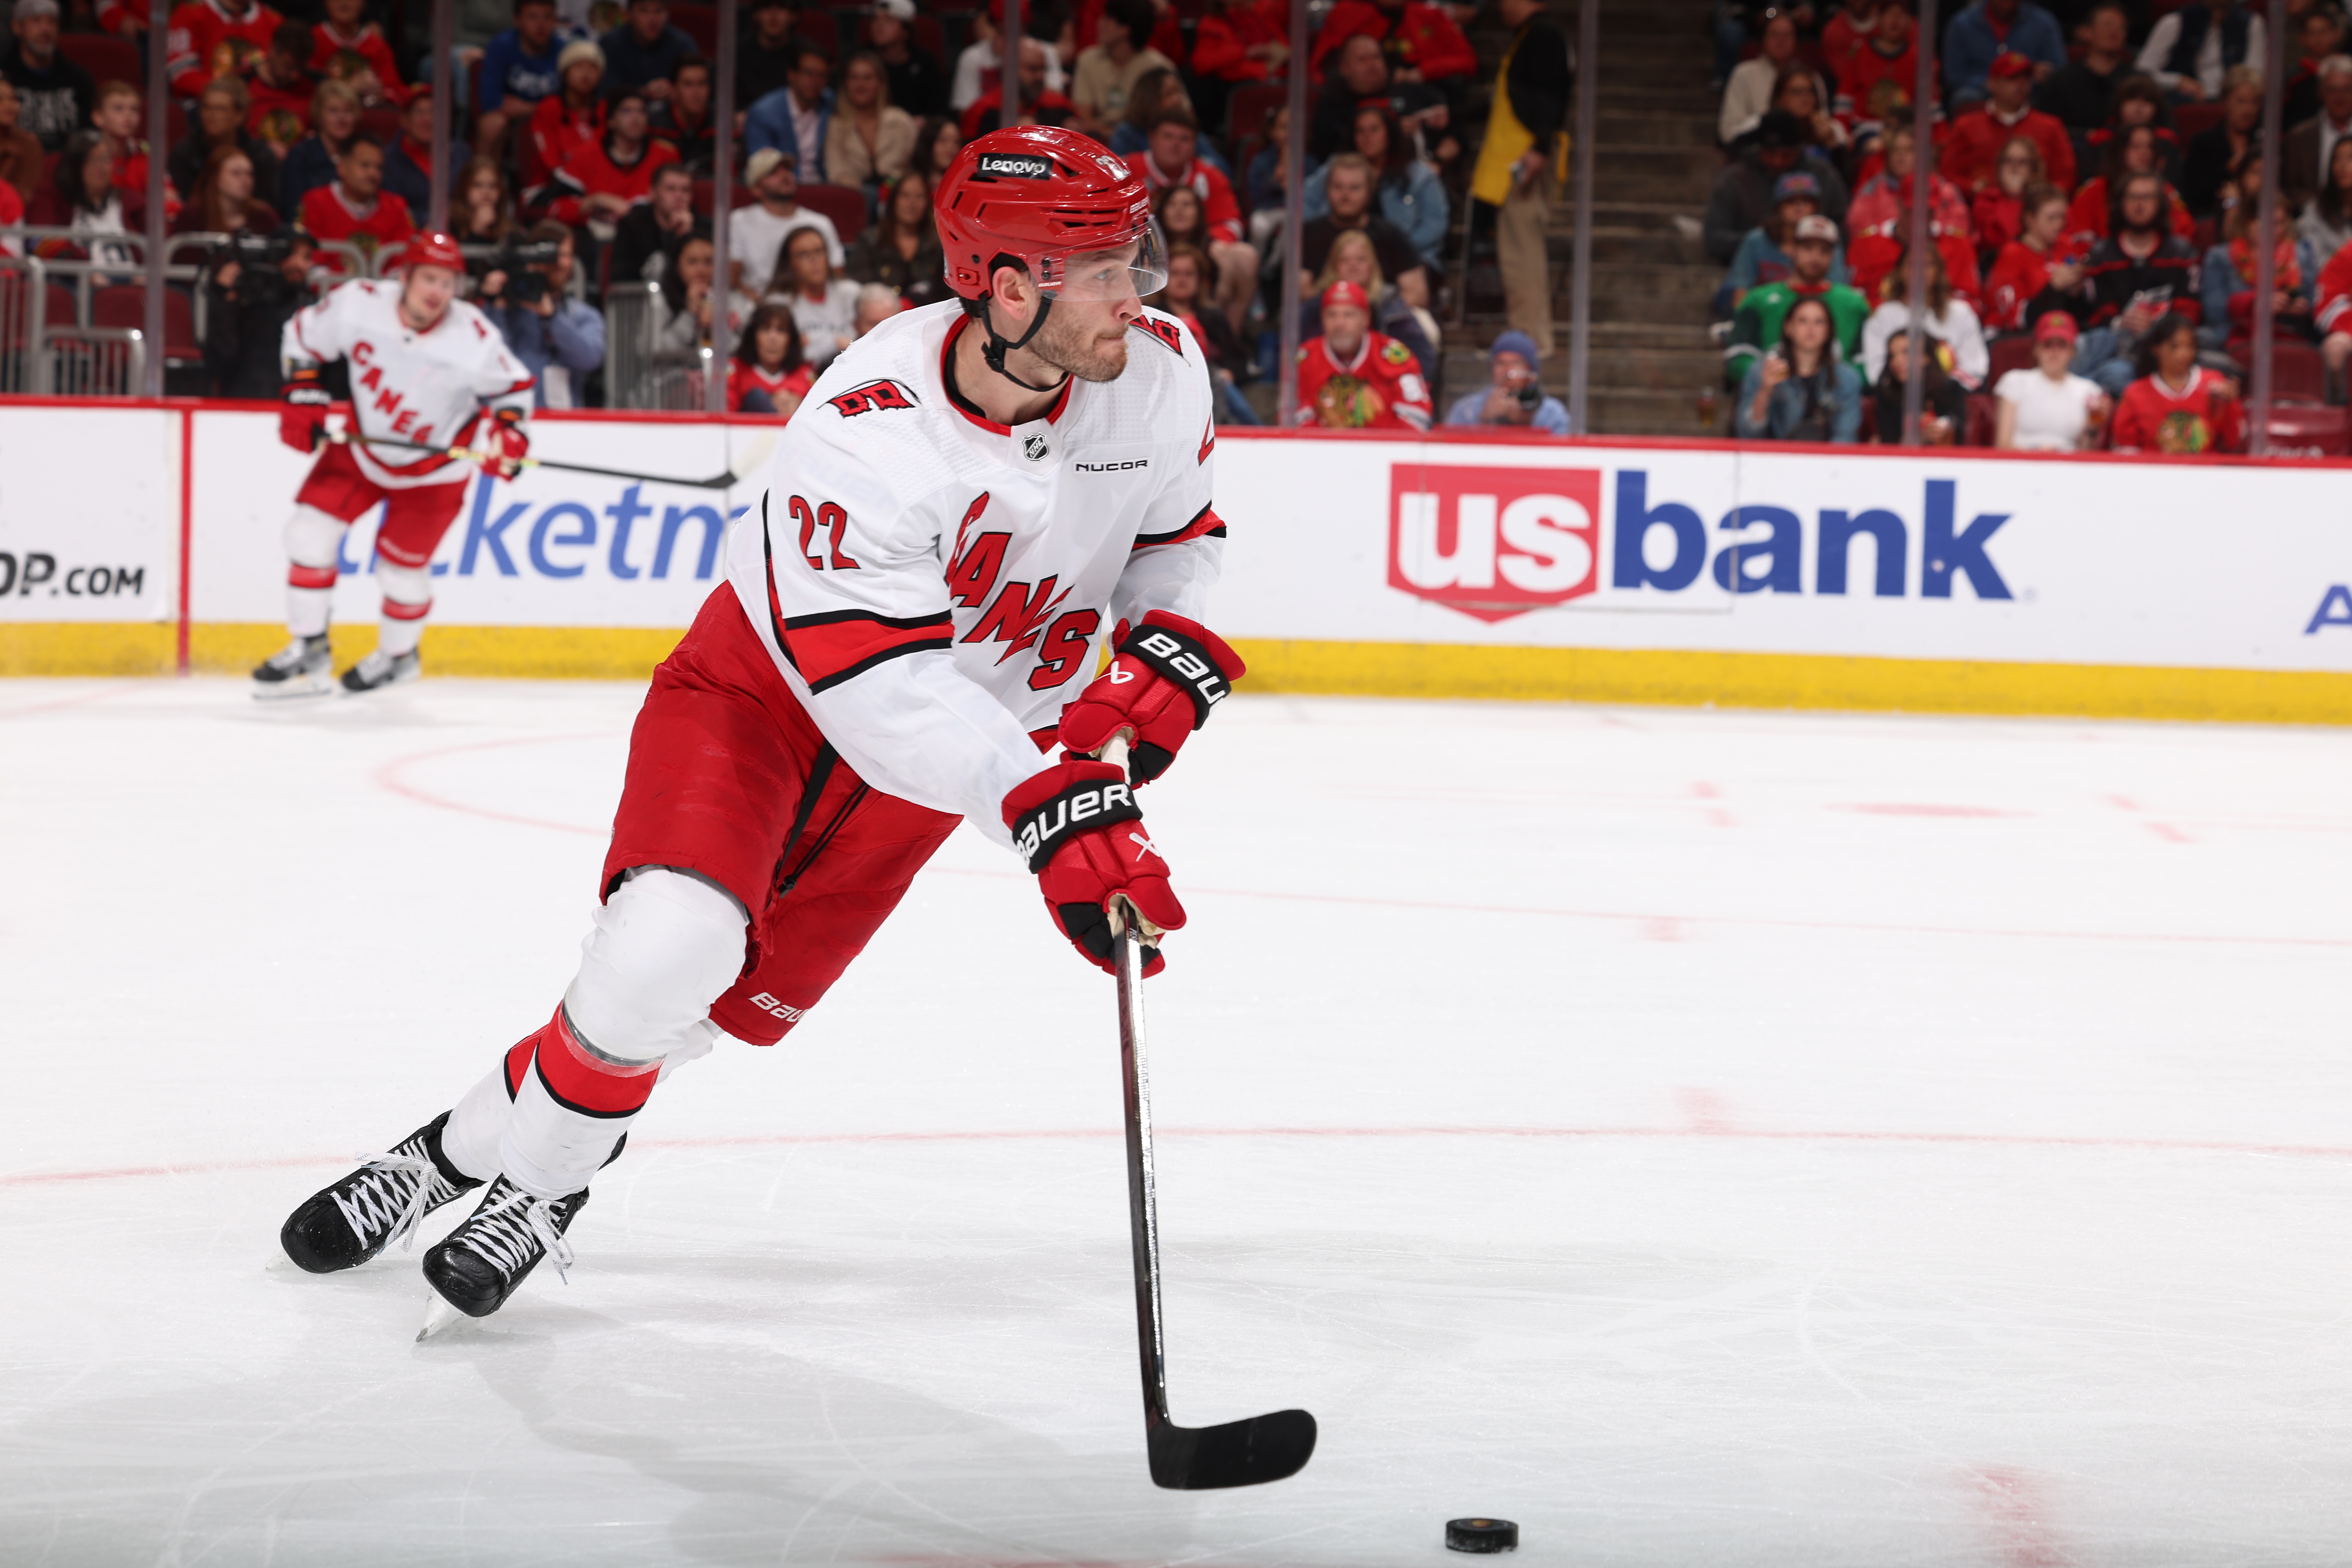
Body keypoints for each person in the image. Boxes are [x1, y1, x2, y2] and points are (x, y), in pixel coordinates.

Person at [274, 127, 1243, 1334]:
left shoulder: (1157, 369)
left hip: (940, 758)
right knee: (662, 949)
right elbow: (877, 686)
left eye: (1134, 254)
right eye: (1105, 267)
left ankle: (441, 1153)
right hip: (766, 702)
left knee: (696, 1012)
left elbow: (1178, 543)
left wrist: (1157, 669)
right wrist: (1048, 811)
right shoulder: (871, 421)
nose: (1142, 290)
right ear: (1006, 288)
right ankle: (544, 1186)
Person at [252, 230, 534, 699]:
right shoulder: (358, 304)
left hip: (434, 471)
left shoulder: (474, 337)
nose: (437, 292)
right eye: (428, 278)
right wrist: (302, 388)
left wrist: (508, 434)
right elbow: (301, 336)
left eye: (447, 282)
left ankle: (399, 658)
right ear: (403, 276)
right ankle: (309, 645)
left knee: (401, 572)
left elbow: (514, 390)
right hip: (362, 448)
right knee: (307, 533)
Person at [1474, 0, 1570, 354]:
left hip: (1526, 157)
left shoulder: (1543, 34)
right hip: (1520, 154)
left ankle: (1531, 340)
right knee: (1516, 250)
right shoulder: (1531, 35)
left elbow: (1551, 93)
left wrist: (1540, 147)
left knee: (1522, 252)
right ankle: (1528, 335)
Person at [2073, 169, 2204, 394]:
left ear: (2161, 204)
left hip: (2171, 348)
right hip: (2119, 350)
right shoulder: (2101, 256)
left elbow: (2190, 311)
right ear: (2120, 204)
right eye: (2133, 198)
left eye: (2148, 198)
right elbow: (2096, 316)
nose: (2140, 205)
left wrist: (2159, 327)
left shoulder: (2182, 253)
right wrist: (2120, 322)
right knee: (2114, 372)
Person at [1129, 105, 1256, 328]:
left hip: (1200, 251)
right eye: (1168, 137)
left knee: (1244, 256)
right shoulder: (1126, 168)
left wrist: (1207, 243)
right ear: (1151, 138)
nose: (1175, 145)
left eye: (1184, 139)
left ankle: (1227, 337)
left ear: (1195, 144)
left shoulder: (1211, 175)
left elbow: (1232, 223)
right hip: (1144, 253)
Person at [1725, 213, 1870, 387]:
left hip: (1834, 401)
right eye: (1808, 248)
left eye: (1825, 251)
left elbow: (1867, 364)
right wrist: (1771, 375)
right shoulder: (1758, 300)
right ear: (1792, 249)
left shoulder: (1854, 304)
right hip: (1772, 398)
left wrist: (1837, 381)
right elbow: (1737, 358)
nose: (1816, 258)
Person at [1843, 123, 1979, 304]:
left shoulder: (1946, 191)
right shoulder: (1872, 190)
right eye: (1896, 150)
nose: (1901, 156)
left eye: (1909, 150)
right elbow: (1859, 227)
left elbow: (1957, 228)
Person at [1303, 103, 1448, 269]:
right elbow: (1304, 201)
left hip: (1405, 258)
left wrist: (1397, 250)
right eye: (1360, 131)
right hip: (1340, 258)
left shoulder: (1420, 175)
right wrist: (1323, 241)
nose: (1367, 137)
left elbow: (1435, 224)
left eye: (1374, 130)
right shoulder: (1336, 167)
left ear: (1389, 133)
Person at [478, 220, 604, 408]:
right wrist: (495, 306)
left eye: (567, 255)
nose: (561, 263)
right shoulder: (504, 307)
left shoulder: (581, 315)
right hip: (506, 417)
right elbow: (486, 359)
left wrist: (553, 318)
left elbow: (590, 359)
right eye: (554, 256)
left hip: (561, 424)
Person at [1704, 110, 1849, 264]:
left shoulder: (1823, 174)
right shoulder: (1735, 178)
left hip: (1816, 270)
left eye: (1786, 155)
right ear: (1759, 149)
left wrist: (1810, 244)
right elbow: (1715, 239)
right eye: (1770, 154)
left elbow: (1844, 231)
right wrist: (1767, 241)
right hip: (1752, 267)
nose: (1778, 162)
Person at [1292, 278, 1432, 429]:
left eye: (1349, 315)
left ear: (1366, 318)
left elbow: (1417, 416)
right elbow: (1292, 417)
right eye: (1332, 315)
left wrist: (1379, 447)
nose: (1339, 323)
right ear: (1322, 319)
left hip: (1383, 450)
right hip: (1322, 451)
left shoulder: (1395, 357)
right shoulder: (1305, 358)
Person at [1300, 151, 1431, 313]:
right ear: (1327, 189)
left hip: (1382, 320)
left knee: (1423, 320)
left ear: (1370, 190)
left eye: (1355, 188)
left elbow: (1417, 293)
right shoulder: (1307, 235)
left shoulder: (1391, 235)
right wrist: (1340, 313)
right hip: (1324, 320)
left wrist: (1371, 316)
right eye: (1338, 187)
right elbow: (1299, 292)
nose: (1345, 195)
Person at [1148, 240, 1256, 423]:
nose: (1182, 280)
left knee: (1217, 379)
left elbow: (1239, 359)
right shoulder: (1150, 317)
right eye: (1175, 273)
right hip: (1166, 386)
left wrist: (1230, 373)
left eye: (1189, 274)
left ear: (1201, 280)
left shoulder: (1214, 318)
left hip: (1213, 386)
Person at [1308, 226, 1438, 377]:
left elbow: (1420, 355)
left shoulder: (1392, 305)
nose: (1353, 265)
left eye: (1361, 259)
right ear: (1334, 266)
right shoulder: (1316, 307)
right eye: (1345, 260)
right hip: (1325, 382)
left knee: (1423, 318)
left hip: (1384, 381)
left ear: (1372, 264)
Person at [548, 85, 678, 234]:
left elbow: (681, 204)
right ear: (611, 121)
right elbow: (555, 210)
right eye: (626, 111)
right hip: (593, 244)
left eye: (642, 111)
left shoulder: (666, 156)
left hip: (650, 242)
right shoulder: (583, 157)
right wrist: (594, 201)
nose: (636, 118)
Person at [2108, 308, 2244, 451]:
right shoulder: (2135, 393)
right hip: (2155, 471)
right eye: (2174, 347)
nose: (2183, 354)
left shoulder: (2215, 384)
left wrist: (2231, 403)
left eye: (2189, 346)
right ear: (2156, 349)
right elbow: (2126, 449)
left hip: (2205, 470)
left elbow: (2233, 442)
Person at [1944, 52, 2076, 196]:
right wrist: (1974, 188)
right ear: (1992, 84)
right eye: (2012, 78)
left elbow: (2066, 178)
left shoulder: (2051, 126)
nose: (2021, 84)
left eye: (2026, 78)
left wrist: (2043, 196)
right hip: (1980, 208)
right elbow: (1948, 174)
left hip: (2034, 209)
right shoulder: (1966, 126)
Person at [1862, 243, 1989, 387]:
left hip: (1950, 397)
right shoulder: (1883, 315)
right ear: (1900, 271)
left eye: (1928, 265)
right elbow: (1876, 371)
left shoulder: (1961, 313)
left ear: (1939, 271)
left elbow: (1975, 369)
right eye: (1912, 265)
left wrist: (1939, 389)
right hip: (1899, 400)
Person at [1737, 296, 1862, 441]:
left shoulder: (1847, 378)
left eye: (1819, 322)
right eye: (1803, 321)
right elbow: (1748, 435)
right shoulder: (1761, 371)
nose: (1811, 328)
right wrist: (1765, 391)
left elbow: (1846, 438)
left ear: (1829, 331)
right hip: (1775, 460)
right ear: (1788, 328)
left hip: (1828, 460)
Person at [2200, 190, 2314, 345]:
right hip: (2237, 335)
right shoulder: (2219, 257)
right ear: (2248, 221)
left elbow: (2315, 304)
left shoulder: (2301, 255)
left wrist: (2301, 306)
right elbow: (2215, 313)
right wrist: (2256, 305)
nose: (2272, 230)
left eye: (2279, 223)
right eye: (2265, 221)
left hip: (2289, 334)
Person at [728, 148, 842, 303]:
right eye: (773, 172)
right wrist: (762, 305)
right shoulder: (739, 221)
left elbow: (837, 277)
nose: (784, 175)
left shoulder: (820, 223)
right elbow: (731, 279)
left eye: (787, 169)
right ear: (755, 189)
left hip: (810, 304)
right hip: (756, 306)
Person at [1722, 172, 1844, 312]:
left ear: (1816, 207)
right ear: (1778, 206)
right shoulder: (1756, 241)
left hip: (1813, 320)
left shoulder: (1828, 241)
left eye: (1806, 201)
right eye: (1791, 201)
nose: (1799, 206)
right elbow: (1741, 294)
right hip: (1765, 316)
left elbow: (1838, 292)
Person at [296, 132, 414, 278]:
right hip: (330, 295)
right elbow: (310, 263)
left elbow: (404, 264)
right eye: (365, 165)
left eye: (379, 168)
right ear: (342, 168)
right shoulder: (315, 202)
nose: (373, 173)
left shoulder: (397, 207)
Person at [2067, 121, 2194, 247]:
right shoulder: (2094, 189)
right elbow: (2076, 236)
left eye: (2150, 147)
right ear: (2120, 151)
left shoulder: (2164, 190)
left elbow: (2185, 231)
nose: (2145, 153)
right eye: (2136, 146)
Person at [1993, 310, 2109, 448]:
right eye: (2048, 345)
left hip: (2068, 466)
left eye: (2062, 345)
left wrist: (2092, 428)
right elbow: (2002, 444)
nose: (2054, 352)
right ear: (2036, 349)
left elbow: (2087, 457)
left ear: (2073, 351)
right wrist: (2038, 455)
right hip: (2020, 464)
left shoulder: (2089, 390)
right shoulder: (2015, 381)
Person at [1982, 182, 2084, 331]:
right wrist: (2053, 288)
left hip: (2060, 331)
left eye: (2062, 217)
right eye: (2051, 218)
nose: (2059, 224)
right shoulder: (2013, 253)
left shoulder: (2065, 244)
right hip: (2015, 337)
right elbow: (2013, 318)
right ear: (2030, 219)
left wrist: (2077, 291)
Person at [1308, 0, 1477, 88]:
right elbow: (1319, 70)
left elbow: (1467, 61)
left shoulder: (1431, 16)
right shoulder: (1347, 13)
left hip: (1418, 97)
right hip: (1358, 102)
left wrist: (1422, 73)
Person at [1071, 0, 1176, 142]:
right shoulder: (1087, 60)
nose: (1099, 23)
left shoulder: (1159, 66)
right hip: (1098, 141)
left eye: (1108, 19)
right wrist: (1116, 136)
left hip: (1147, 142)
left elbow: (1179, 116)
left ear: (1124, 30)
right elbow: (1084, 117)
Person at [846, 165, 946, 308]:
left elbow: (944, 291)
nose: (912, 203)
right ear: (893, 201)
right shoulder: (870, 240)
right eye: (905, 195)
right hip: (879, 317)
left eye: (919, 197)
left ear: (927, 204)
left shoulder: (938, 243)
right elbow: (858, 289)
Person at [523, 40, 607, 207]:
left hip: (598, 188)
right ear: (564, 73)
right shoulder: (549, 108)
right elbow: (551, 162)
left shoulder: (606, 110)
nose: (586, 74)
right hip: (550, 187)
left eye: (593, 68)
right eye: (579, 67)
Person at [2038, 2, 2134, 149]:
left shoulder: (2136, 82)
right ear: (2087, 32)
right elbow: (2045, 128)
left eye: (2121, 27)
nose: (2115, 31)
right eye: (2108, 24)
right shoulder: (2062, 80)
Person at [172, 77, 280, 207]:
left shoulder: (260, 157)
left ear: (239, 116)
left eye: (220, 109)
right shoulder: (185, 154)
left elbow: (267, 210)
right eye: (206, 108)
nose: (211, 115)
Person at [474, 0, 563, 158]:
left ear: (555, 20)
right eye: (533, 17)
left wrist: (530, 108)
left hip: (551, 119)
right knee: (491, 124)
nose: (541, 25)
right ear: (518, 21)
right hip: (510, 120)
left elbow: (569, 104)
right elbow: (490, 101)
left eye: (548, 17)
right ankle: (487, 178)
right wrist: (539, 108)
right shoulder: (500, 47)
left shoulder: (563, 51)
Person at [1, 0, 93, 151]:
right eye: (36, 21)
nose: (45, 29)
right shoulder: (4, 79)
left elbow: (91, 136)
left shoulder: (79, 79)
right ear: (17, 27)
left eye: (52, 22)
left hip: (68, 168)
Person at [1942, 0, 2065, 108]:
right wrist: (1995, 85)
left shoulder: (2044, 22)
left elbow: (2060, 69)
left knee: (2055, 97)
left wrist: (2047, 72)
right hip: (1981, 90)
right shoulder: (1962, 23)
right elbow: (1954, 75)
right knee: (1964, 97)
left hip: (2028, 88)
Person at [2137, 0, 2265, 104]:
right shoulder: (2176, 21)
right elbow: (2142, 73)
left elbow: (2255, 76)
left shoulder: (2252, 23)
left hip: (2233, 105)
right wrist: (2178, 81)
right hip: (2187, 102)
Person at [1444, 328, 1569, 434]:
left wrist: (1528, 424)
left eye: (1516, 363)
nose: (1507, 371)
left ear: (1530, 370)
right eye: (1501, 363)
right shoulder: (1467, 409)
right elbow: (1449, 451)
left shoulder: (1552, 412)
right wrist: (1484, 421)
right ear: (1491, 369)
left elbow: (1563, 455)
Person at [607, 159, 706, 290]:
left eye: (685, 190)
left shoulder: (703, 229)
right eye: (671, 189)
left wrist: (686, 237)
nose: (679, 196)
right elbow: (621, 279)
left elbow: (707, 280)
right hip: (641, 304)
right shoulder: (632, 226)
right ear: (652, 193)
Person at [772, 221, 860, 368]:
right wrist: (837, 343)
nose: (814, 261)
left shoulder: (852, 294)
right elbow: (783, 355)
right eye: (803, 255)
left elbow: (868, 342)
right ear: (789, 263)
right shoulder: (778, 304)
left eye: (819, 252)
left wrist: (812, 342)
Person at [825, 49, 916, 190]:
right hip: (855, 197)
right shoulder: (836, 125)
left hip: (900, 197)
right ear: (846, 84)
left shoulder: (901, 121)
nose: (860, 85)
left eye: (868, 78)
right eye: (854, 78)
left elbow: (915, 167)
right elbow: (836, 173)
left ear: (880, 83)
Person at [1720, 8, 1812, 146]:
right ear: (1763, 39)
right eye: (1774, 34)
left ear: (1796, 40)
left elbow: (1822, 124)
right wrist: (1768, 124)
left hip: (1802, 154)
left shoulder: (1809, 76)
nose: (1781, 41)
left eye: (1787, 35)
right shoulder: (1743, 74)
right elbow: (1728, 132)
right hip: (1757, 153)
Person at [2181, 65, 2264, 218]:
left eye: (2255, 102)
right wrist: (2227, 171)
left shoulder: (2266, 144)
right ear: (2225, 102)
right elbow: (2195, 198)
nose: (2248, 110)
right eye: (2241, 101)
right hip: (2212, 217)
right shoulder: (2203, 143)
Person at [960, 34, 1078, 139]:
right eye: (1033, 69)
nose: (1040, 76)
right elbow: (970, 155)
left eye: (1043, 69)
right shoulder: (983, 111)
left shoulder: (1060, 106)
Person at [1834, 0, 1919, 142]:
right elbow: (1844, 98)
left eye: (1901, 15)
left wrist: (1939, 138)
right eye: (1890, 14)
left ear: (1911, 21)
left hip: (1907, 130)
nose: (1895, 20)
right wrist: (1842, 134)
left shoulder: (1918, 57)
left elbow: (1931, 104)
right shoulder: (1859, 52)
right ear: (1878, 17)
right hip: (1866, 129)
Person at [165, 0, 283, 102]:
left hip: (254, 108)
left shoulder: (274, 21)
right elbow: (180, 71)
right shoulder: (192, 10)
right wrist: (224, 97)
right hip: (200, 106)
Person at [51, 129, 135, 270]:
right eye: (92, 160)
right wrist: (84, 273)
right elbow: (43, 243)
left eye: (105, 159)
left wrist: (145, 275)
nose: (101, 167)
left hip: (132, 281)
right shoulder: (58, 203)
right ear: (76, 165)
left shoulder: (130, 201)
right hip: (80, 281)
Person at [746, 42, 836, 168]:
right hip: (785, 184)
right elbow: (762, 168)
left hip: (825, 184)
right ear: (792, 75)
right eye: (809, 73)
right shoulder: (763, 113)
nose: (815, 81)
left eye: (822, 75)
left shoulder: (832, 104)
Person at [1869, 326, 1967, 441]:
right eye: (1892, 356)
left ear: (1926, 357)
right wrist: (1920, 438)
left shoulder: (1950, 388)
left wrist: (1944, 426)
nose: (1897, 361)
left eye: (1906, 352)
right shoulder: (1887, 394)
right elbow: (1889, 441)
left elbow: (1958, 427)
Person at [91, 80, 169, 225]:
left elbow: (169, 201)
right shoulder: (87, 158)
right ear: (98, 118)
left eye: (134, 110)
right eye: (118, 109)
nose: (128, 115)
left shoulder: (147, 153)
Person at [383, 89, 470, 217]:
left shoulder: (461, 153)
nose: (428, 120)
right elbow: (389, 209)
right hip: (409, 233)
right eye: (420, 113)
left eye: (434, 112)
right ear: (404, 120)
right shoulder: (388, 160)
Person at [278, 78, 359, 216]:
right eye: (333, 111)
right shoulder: (300, 157)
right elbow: (292, 212)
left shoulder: (362, 156)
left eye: (347, 111)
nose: (341, 119)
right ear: (319, 115)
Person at [2283, 55, 2352, 211]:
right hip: (2312, 219)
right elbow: (2289, 190)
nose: (2340, 97)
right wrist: (2321, 207)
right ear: (2321, 92)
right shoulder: (2298, 137)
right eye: (2333, 89)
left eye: (2347, 89)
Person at [726, 298, 812, 413]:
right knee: (756, 397)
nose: (773, 338)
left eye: (781, 330)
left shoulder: (806, 375)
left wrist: (800, 407)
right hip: (747, 431)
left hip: (793, 430)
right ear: (753, 336)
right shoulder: (735, 370)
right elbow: (723, 419)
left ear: (791, 340)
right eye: (765, 329)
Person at [173, 141, 278, 234]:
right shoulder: (193, 218)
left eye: (250, 174)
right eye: (236, 173)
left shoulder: (263, 216)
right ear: (216, 178)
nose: (246, 180)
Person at [599, 0, 696, 99]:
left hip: (671, 111)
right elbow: (606, 93)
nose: (652, 19)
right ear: (628, 14)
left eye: (659, 11)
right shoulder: (611, 44)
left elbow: (697, 88)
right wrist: (642, 93)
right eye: (644, 11)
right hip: (624, 112)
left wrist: (677, 92)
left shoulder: (683, 45)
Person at [870, 0, 949, 120]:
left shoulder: (925, 62)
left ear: (906, 31)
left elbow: (939, 109)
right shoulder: (863, 61)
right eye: (876, 19)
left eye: (889, 20)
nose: (879, 25)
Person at [1969, 136, 2046, 258]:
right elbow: (1999, 240)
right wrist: (2014, 197)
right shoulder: (1987, 199)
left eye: (2022, 162)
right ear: (2000, 166)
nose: (2014, 167)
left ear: (2033, 169)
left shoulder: (2045, 200)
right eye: (2009, 161)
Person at [244, 19, 319, 135]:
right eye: (289, 67)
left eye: (301, 68)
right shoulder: (244, 83)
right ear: (273, 50)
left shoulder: (316, 84)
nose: (296, 76)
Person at [1192, 0, 1289, 89]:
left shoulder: (1249, 14)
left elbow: (1281, 50)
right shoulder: (1212, 23)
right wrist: (1247, 53)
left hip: (1270, 79)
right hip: (1233, 87)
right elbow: (1202, 64)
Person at [655, 230, 717, 349]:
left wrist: (715, 327)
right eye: (692, 262)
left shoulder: (731, 299)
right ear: (677, 266)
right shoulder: (660, 300)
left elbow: (741, 351)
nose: (702, 270)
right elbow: (659, 350)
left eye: (709, 262)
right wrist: (690, 314)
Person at [653, 56, 716, 173]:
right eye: (688, 84)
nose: (696, 92)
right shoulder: (654, 127)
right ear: (673, 89)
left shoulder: (721, 124)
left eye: (702, 84)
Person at [735, 0, 801, 111]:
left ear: (794, 16)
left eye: (782, 7)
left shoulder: (805, 56)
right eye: (767, 6)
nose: (773, 15)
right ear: (756, 14)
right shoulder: (738, 54)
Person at [2298, 134, 2352, 261]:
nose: (2343, 165)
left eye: (2351, 158)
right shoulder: (2315, 210)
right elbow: (2314, 260)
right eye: (2337, 159)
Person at [452, 156, 517, 249]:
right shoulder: (451, 224)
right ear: (464, 188)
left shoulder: (508, 227)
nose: (486, 192)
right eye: (478, 185)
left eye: (493, 186)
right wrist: (477, 230)